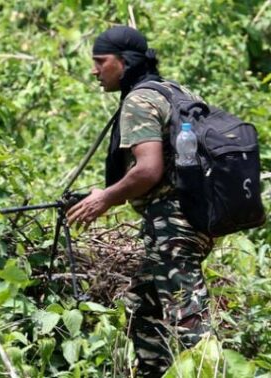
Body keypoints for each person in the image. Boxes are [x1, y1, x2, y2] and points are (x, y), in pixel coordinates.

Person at [66, 26, 213, 377]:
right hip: (197, 216)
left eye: (101, 61)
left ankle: (213, 370)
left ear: (125, 62)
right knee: (143, 309)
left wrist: (104, 198)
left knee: (188, 317)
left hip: (172, 223)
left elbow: (148, 171)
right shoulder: (175, 91)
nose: (95, 70)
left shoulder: (139, 100)